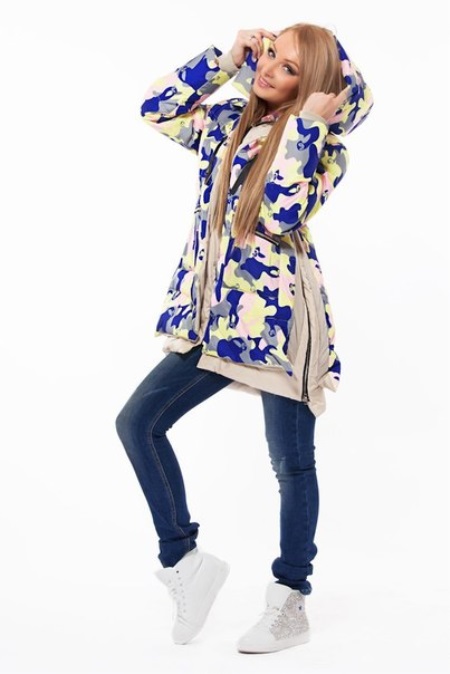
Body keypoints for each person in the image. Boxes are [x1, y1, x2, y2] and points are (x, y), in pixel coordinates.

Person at [115, 22, 374, 654]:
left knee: (291, 462)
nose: (269, 70)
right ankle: (185, 562)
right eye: (270, 55)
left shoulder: (324, 148)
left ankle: (290, 600)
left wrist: (306, 126)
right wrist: (224, 61)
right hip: (212, 320)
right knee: (138, 423)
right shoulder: (226, 119)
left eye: (289, 69)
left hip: (279, 323)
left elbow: (280, 214)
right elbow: (155, 109)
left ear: (312, 87)